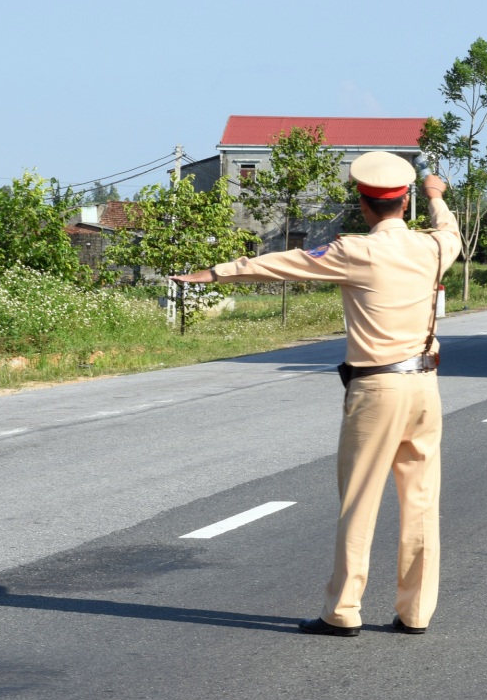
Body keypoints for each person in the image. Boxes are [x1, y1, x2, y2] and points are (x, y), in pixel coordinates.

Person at [172, 151, 461, 637]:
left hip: (377, 389)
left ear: (364, 205)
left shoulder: (357, 251)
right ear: (404, 201)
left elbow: (287, 264)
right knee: (421, 502)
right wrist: (436, 198)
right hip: (425, 388)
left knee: (360, 501)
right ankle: (415, 613)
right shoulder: (434, 248)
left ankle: (344, 610)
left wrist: (220, 272)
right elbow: (448, 227)